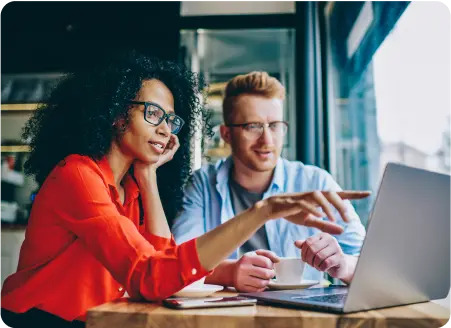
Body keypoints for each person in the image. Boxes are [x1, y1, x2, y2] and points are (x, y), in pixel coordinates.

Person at [0, 54, 369, 327]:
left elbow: (162, 264)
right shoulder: (78, 175)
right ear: (115, 114)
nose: (165, 129)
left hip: (95, 320)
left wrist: (147, 176)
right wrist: (263, 211)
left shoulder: (129, 187)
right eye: (153, 114)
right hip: (40, 320)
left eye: (170, 119)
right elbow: (152, 276)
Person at [172, 72, 368, 292]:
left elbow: (370, 262)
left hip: (301, 317)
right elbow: (176, 263)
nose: (267, 140)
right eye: (253, 126)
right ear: (226, 134)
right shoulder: (202, 184)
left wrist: (343, 265)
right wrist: (229, 272)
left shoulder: (315, 181)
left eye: (274, 125)